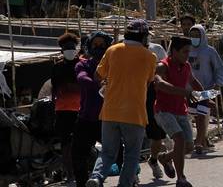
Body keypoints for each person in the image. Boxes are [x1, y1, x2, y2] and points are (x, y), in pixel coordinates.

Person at [86, 20, 157, 187]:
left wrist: (111, 81)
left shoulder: (112, 50)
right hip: (135, 113)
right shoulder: (149, 57)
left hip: (110, 111)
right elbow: (147, 83)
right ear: (143, 36)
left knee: (107, 153)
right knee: (132, 155)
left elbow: (97, 76)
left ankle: (96, 177)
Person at [154, 36, 204, 187]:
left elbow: (194, 82)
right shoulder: (163, 66)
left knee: (189, 147)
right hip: (163, 111)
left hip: (180, 110)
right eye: (184, 52)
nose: (187, 55)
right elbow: (160, 84)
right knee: (180, 139)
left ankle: (165, 158)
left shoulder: (187, 66)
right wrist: (185, 93)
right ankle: (181, 179)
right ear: (174, 51)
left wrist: (205, 97)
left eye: (188, 52)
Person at [73, 31, 113, 187]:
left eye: (102, 45)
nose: (99, 47)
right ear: (89, 46)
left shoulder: (114, 65)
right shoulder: (82, 64)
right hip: (86, 118)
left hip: (108, 118)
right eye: (95, 44)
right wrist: (99, 84)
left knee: (117, 153)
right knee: (78, 155)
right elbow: (82, 78)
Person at [188, 24, 223, 154]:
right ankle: (202, 139)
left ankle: (199, 142)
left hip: (208, 88)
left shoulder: (209, 51)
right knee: (196, 116)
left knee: (202, 115)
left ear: (202, 36)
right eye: (192, 35)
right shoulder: (186, 50)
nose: (194, 38)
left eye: (197, 36)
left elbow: (219, 68)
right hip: (190, 90)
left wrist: (218, 84)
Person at [52, 33, 82, 182]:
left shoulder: (83, 65)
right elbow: (54, 89)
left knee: (80, 144)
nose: (69, 50)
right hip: (62, 111)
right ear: (61, 50)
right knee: (66, 145)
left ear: (76, 48)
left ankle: (80, 173)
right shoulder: (57, 67)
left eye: (72, 47)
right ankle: (70, 175)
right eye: (66, 48)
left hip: (81, 110)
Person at [145, 38, 168, 179]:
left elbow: (166, 69)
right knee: (131, 138)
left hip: (154, 97)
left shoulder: (157, 49)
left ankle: (155, 160)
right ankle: (132, 172)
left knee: (158, 136)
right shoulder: (124, 49)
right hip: (134, 98)